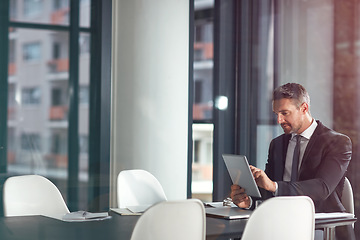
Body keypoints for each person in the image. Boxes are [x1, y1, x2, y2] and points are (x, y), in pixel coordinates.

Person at [230, 83, 354, 239]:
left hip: (321, 228)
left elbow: (322, 188)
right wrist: (248, 201)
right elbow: (271, 190)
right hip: (282, 224)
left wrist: (273, 185)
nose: (279, 120)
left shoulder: (338, 142)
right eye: (276, 114)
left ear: (304, 108)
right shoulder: (277, 144)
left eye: (284, 113)